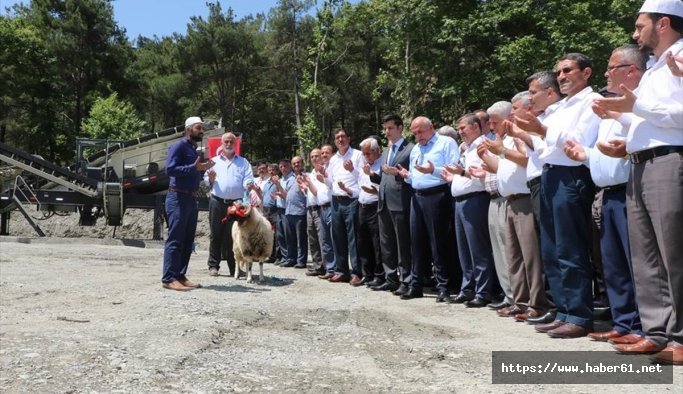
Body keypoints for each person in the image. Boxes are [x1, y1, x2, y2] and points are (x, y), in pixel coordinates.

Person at [593, 0, 683, 364]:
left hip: (669, 161)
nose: (635, 33)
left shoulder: (679, 60)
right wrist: (626, 128)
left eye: (639, 24)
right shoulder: (655, 68)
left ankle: (680, 336)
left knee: (673, 252)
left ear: (663, 23)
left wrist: (634, 109)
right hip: (641, 163)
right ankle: (658, 332)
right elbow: (652, 121)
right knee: (647, 256)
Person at [563, 44, 647, 346]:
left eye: (610, 93)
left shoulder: (633, 111)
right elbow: (602, 158)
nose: (606, 97)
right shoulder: (607, 118)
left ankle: (642, 326)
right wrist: (583, 154)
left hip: (628, 191)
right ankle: (623, 322)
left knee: (635, 262)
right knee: (612, 264)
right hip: (606, 194)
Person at [517, 53, 602, 339]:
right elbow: (544, 150)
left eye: (568, 70)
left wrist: (541, 130)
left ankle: (580, 315)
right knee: (552, 249)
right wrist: (540, 133)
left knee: (571, 248)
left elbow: (574, 142)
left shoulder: (591, 102)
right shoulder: (563, 106)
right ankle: (564, 311)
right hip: (551, 175)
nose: (562, 76)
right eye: (559, 72)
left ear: (586, 73)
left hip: (572, 177)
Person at [397, 116, 459, 301]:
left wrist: (433, 170)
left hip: (437, 195)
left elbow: (454, 168)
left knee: (438, 242)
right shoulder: (416, 148)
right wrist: (407, 176)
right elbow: (417, 175)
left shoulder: (446, 143)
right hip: (417, 196)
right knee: (416, 242)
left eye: (420, 132)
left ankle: (444, 287)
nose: (418, 136)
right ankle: (416, 284)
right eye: (415, 133)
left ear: (431, 127)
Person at [443, 114, 495, 307]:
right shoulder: (467, 149)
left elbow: (480, 175)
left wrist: (461, 174)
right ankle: (468, 288)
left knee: (478, 248)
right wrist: (453, 178)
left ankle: (483, 291)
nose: (460, 131)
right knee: (464, 249)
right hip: (460, 201)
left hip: (476, 200)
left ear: (476, 126)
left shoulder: (484, 145)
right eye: (459, 128)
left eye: (463, 127)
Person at [161, 116, 215, 291]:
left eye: (202, 128)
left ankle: (180, 275)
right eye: (199, 127)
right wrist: (195, 168)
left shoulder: (193, 150)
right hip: (177, 198)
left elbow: (193, 173)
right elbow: (170, 169)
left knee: (187, 240)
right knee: (175, 239)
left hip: (191, 198)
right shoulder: (178, 146)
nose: (202, 131)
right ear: (188, 128)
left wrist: (203, 171)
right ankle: (169, 278)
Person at [372, 114, 414, 294]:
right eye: (385, 128)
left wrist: (397, 173)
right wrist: (373, 176)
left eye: (390, 128)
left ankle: (407, 279)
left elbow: (412, 174)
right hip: (384, 202)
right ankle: (391, 278)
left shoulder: (411, 149)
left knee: (402, 243)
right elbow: (384, 176)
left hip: (400, 201)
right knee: (386, 242)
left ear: (400, 128)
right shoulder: (386, 151)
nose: (387, 132)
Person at [205, 132, 255, 277]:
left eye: (231, 142)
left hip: (235, 204)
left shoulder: (243, 162)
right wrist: (211, 179)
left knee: (234, 236)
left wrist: (248, 184)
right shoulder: (213, 161)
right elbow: (207, 182)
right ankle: (213, 265)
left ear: (235, 144)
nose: (228, 144)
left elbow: (248, 178)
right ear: (222, 143)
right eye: (226, 142)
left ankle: (235, 269)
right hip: (217, 202)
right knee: (215, 234)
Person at [327, 129, 364, 284]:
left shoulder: (357, 155)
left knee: (353, 237)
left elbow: (363, 176)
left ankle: (357, 272)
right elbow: (330, 181)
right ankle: (341, 270)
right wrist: (324, 177)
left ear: (349, 138)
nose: (340, 139)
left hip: (351, 200)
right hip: (336, 201)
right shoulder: (333, 159)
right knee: (337, 237)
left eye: (343, 136)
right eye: (337, 138)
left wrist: (352, 170)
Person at [356, 137, 383, 287]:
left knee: (377, 242)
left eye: (368, 153)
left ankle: (379, 275)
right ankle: (367, 273)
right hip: (363, 205)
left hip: (375, 205)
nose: (366, 156)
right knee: (363, 241)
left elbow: (384, 186)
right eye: (364, 153)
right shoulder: (363, 165)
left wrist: (374, 189)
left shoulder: (381, 164)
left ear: (377, 151)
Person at [282, 156, 308, 269]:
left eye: (298, 163)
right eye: (294, 163)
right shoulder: (290, 178)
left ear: (302, 163)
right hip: (288, 211)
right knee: (290, 237)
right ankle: (291, 258)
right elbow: (287, 195)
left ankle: (301, 260)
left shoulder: (307, 176)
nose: (296, 165)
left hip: (300, 211)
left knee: (301, 238)